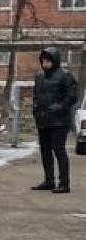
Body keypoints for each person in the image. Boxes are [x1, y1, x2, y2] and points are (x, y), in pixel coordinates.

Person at [31, 47, 79, 194]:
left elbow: (72, 96)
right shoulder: (39, 77)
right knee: (45, 150)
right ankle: (49, 180)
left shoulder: (65, 76)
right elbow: (36, 95)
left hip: (59, 121)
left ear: (55, 61)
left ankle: (64, 183)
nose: (45, 63)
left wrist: (59, 107)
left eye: (48, 61)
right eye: (43, 61)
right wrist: (35, 109)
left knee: (59, 150)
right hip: (43, 119)